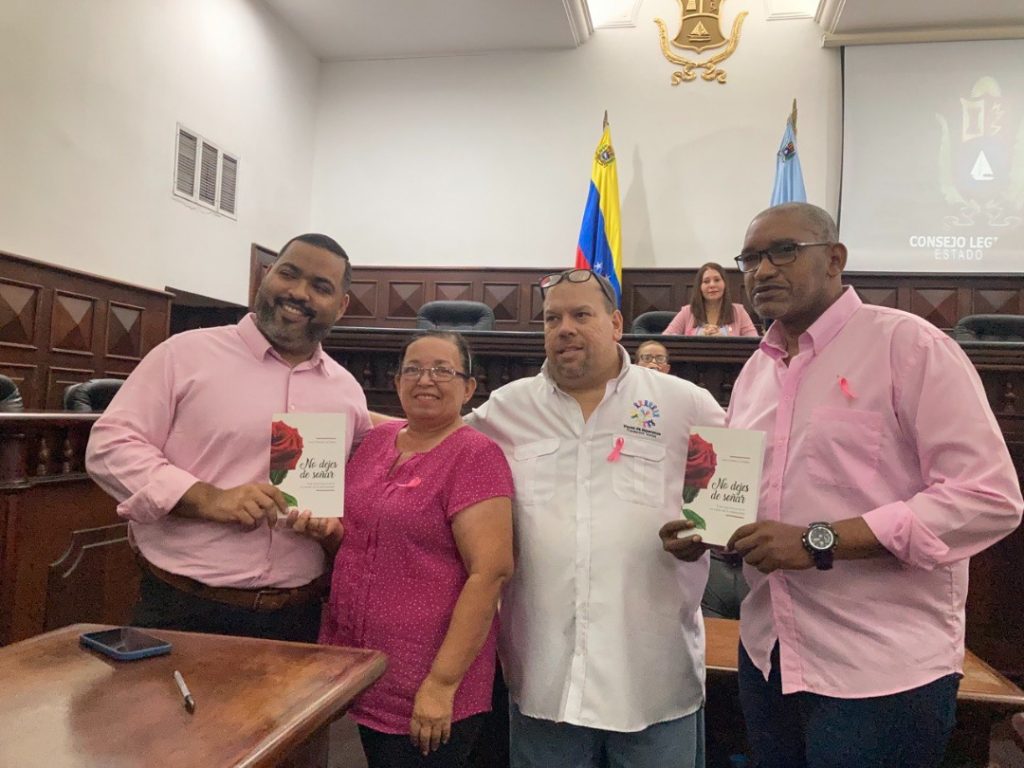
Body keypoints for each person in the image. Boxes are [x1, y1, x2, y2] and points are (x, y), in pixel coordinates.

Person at [662, 202, 1024, 768]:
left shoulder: (909, 346)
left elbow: (988, 498)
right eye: (750, 259)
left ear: (835, 259)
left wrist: (819, 541)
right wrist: (707, 532)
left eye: (784, 251)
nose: (762, 270)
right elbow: (752, 497)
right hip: (769, 655)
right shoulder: (758, 370)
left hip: (879, 672)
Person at [467, 268, 726, 768]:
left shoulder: (683, 403)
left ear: (616, 324)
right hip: (545, 679)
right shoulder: (509, 407)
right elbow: (434, 445)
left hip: (652, 677)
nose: (564, 328)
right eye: (552, 319)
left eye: (581, 315)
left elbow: (741, 490)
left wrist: (712, 535)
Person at [86, 233, 371, 642]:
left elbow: (360, 487)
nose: (298, 292)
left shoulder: (346, 391)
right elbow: (109, 446)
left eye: (320, 286)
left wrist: (332, 527)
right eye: (288, 274)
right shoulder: (184, 355)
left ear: (341, 306)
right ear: (266, 275)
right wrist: (206, 498)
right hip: (185, 609)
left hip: (299, 619)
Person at [311, 331, 514, 768]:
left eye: (442, 370)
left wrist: (441, 684)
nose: (426, 379)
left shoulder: (476, 456)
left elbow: (490, 573)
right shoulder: (378, 441)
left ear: (469, 388)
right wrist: (327, 533)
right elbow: (362, 540)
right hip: (366, 669)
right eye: (414, 369)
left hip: (427, 680)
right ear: (397, 381)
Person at [663, 262, 759, 337]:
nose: (712, 285)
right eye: (706, 281)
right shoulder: (687, 312)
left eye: (717, 280)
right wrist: (698, 339)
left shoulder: (739, 312)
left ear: (724, 284)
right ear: (700, 287)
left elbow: (754, 343)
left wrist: (725, 341)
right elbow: (666, 338)